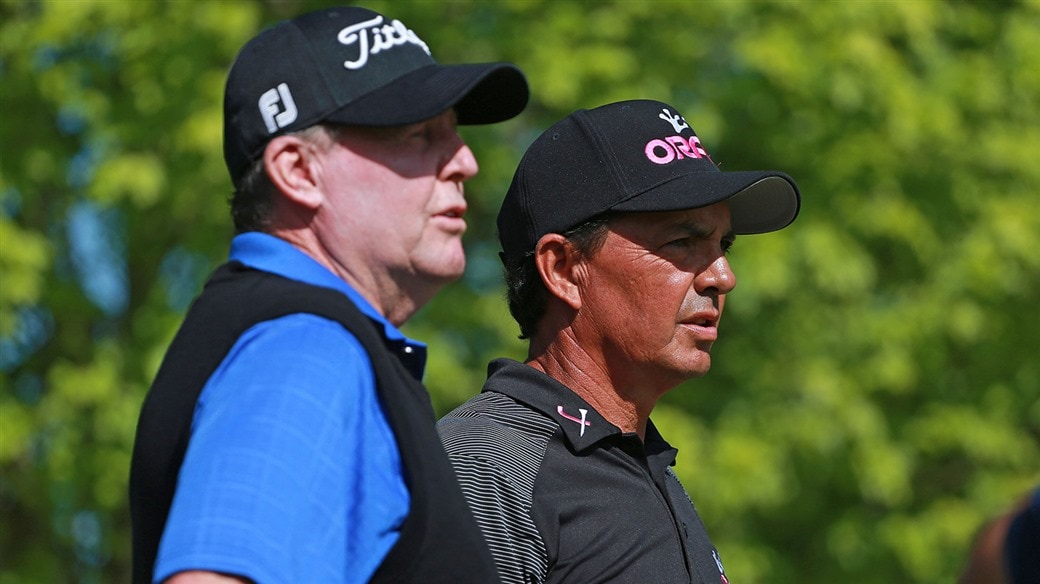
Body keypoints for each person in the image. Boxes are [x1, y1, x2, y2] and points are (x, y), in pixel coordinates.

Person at [129, 6, 528, 584]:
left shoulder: (286, 334)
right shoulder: (305, 347)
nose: (465, 160)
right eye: (419, 134)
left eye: (455, 132)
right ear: (298, 171)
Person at [438, 99, 801, 584]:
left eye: (723, 246)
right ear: (564, 269)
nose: (723, 276)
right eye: (681, 243)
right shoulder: (489, 465)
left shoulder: (645, 468)